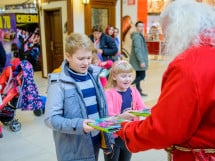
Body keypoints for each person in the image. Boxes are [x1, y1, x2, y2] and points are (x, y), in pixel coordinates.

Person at [116, 1, 215, 161]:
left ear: (179, 28)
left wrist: (126, 130)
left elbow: (164, 129)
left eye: (167, 33)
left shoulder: (190, 64)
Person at [44, 33, 114, 161]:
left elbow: (102, 108)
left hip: (96, 139)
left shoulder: (94, 75)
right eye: (81, 59)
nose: (86, 63)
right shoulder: (58, 83)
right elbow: (50, 119)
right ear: (68, 56)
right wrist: (79, 125)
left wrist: (108, 135)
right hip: (74, 148)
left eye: (88, 58)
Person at [104, 60, 147, 161]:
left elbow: (142, 107)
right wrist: (122, 117)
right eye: (123, 76)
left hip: (128, 135)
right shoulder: (108, 94)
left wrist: (152, 112)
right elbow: (108, 118)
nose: (127, 79)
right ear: (114, 76)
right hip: (113, 137)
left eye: (129, 76)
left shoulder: (134, 91)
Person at [130, 21, 149, 96]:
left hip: (138, 60)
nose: (141, 28)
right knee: (142, 76)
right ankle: (129, 86)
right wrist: (141, 61)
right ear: (136, 27)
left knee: (138, 76)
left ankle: (138, 91)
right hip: (139, 60)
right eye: (139, 26)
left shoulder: (139, 35)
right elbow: (138, 49)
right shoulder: (137, 36)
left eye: (142, 26)